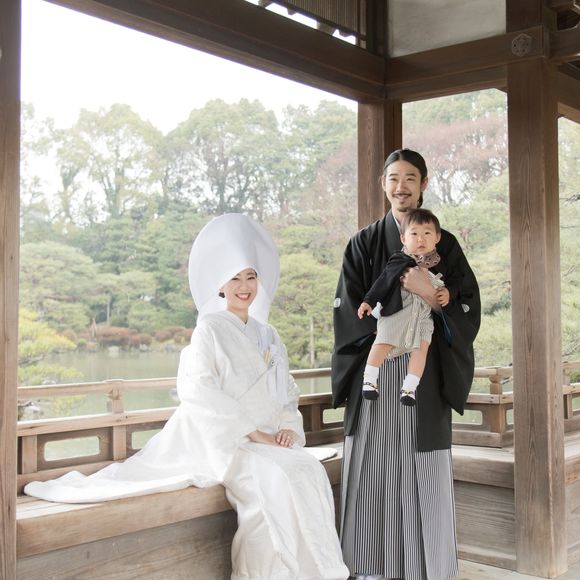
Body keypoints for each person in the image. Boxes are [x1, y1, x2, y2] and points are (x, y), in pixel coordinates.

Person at [25, 213, 349, 580]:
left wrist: (288, 428)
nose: (244, 286)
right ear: (220, 285)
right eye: (234, 278)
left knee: (306, 468)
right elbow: (199, 390)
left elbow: (287, 391)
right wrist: (253, 432)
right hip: (232, 440)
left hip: (271, 438)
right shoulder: (209, 330)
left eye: (251, 276)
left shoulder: (269, 334)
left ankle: (313, 571)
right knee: (272, 481)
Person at [332, 149, 481, 580]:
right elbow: (350, 311)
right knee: (373, 467)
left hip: (424, 371)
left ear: (424, 184)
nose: (401, 187)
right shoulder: (363, 243)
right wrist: (393, 325)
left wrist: (430, 294)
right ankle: (367, 566)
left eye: (410, 178)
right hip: (376, 371)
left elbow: (466, 304)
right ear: (383, 185)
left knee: (422, 468)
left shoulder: (444, 244)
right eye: (394, 178)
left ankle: (426, 568)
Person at [358, 209, 456, 406]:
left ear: (437, 237)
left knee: (421, 349)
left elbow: (453, 284)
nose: (421, 239)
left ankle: (409, 388)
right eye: (414, 234)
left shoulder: (440, 263)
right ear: (403, 238)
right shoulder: (399, 260)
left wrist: (448, 292)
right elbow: (383, 281)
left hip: (423, 316)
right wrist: (368, 300)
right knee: (383, 342)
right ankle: (369, 380)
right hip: (398, 310)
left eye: (427, 233)